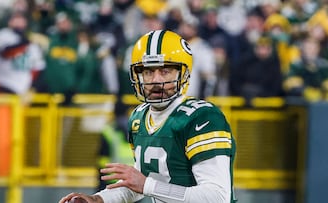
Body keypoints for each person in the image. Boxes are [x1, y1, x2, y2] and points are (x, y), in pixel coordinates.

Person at [59, 30, 236, 203]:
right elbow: (137, 185)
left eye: (165, 71)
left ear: (183, 74)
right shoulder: (139, 117)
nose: (156, 80)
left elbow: (218, 197)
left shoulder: (203, 117)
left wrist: (147, 185)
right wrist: (98, 199)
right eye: (148, 72)